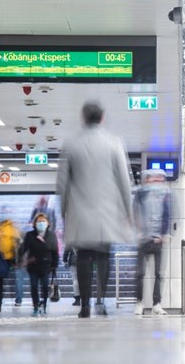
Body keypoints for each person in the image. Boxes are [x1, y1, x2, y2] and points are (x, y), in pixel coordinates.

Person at [57, 101, 133, 318]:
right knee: (103, 255)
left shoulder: (71, 144)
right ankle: (101, 300)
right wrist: (128, 210)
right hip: (106, 213)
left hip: (80, 212)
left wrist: (63, 211)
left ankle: (84, 306)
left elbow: (62, 183)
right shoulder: (114, 143)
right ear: (102, 118)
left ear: (83, 118)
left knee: (83, 257)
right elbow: (124, 180)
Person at [133, 169, 171, 316]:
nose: (157, 181)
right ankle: (139, 303)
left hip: (158, 240)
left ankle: (156, 304)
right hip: (143, 240)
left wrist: (164, 234)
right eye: (154, 178)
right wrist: (139, 232)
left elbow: (167, 214)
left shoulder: (165, 194)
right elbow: (135, 212)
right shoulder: (141, 193)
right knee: (140, 273)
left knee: (158, 274)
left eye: (160, 178)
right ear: (147, 179)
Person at [20, 213, 59, 317]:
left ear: (47, 223)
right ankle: (36, 306)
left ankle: (44, 304)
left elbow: (55, 250)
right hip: (33, 265)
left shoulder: (51, 235)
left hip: (46, 266)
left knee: (45, 286)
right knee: (33, 286)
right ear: (35, 223)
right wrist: (19, 259)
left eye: (43, 221)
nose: (41, 223)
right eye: (39, 221)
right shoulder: (30, 235)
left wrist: (55, 264)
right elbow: (24, 248)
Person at [0, 213, 20, 312]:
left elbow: (17, 241)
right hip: (1, 257)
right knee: (0, 282)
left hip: (10, 259)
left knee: (5, 282)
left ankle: (10, 301)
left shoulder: (12, 228)